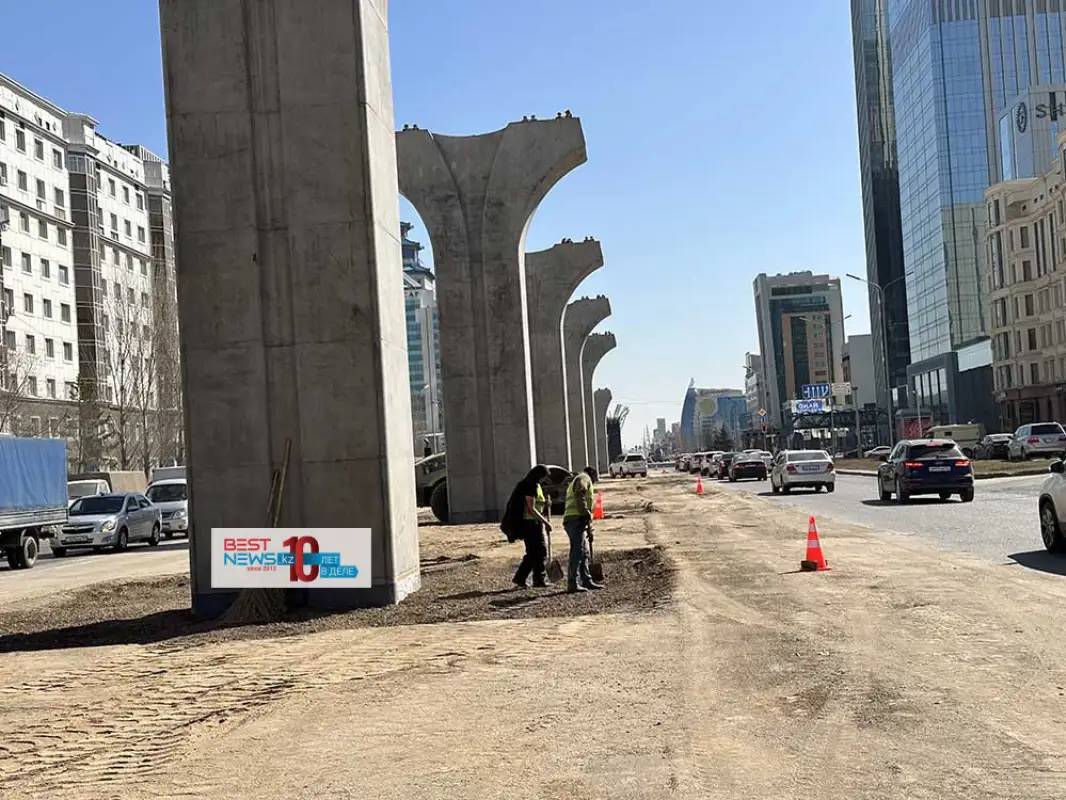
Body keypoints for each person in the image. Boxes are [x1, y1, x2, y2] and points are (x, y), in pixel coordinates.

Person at [562, 466, 603, 592]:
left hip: (577, 519)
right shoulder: (584, 478)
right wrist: (585, 512)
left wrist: (588, 523)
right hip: (576, 519)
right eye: (595, 479)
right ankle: (572, 582)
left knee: (584, 552)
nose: (594, 482)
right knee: (577, 551)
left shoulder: (577, 479)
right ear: (592, 475)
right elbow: (580, 494)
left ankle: (586, 580)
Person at [511, 465, 553, 588]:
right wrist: (546, 522)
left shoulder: (537, 486)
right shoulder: (530, 486)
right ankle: (527, 578)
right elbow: (531, 509)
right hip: (529, 523)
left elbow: (537, 504)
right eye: (544, 477)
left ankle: (535, 579)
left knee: (537, 552)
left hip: (535, 522)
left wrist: (546, 503)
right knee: (536, 552)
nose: (544, 480)